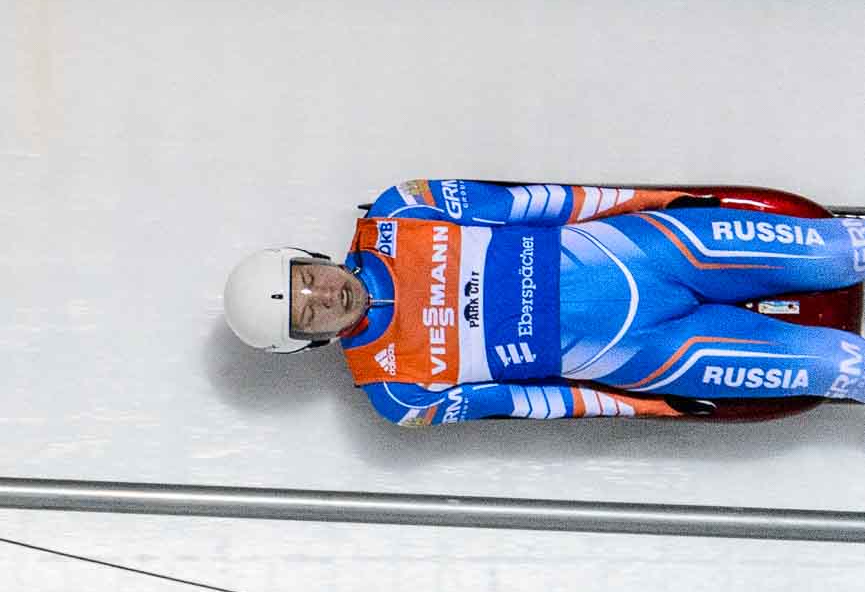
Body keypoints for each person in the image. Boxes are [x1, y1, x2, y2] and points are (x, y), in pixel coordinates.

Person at [222, 180, 865, 425]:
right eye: (309, 312)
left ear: (310, 256)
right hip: (644, 354)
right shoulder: (399, 392)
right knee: (839, 368)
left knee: (838, 254)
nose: (326, 294)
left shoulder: (402, 210)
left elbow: (540, 200)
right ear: (310, 341)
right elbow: (534, 404)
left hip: (646, 249)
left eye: (309, 278)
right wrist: (649, 405)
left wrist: (655, 202)